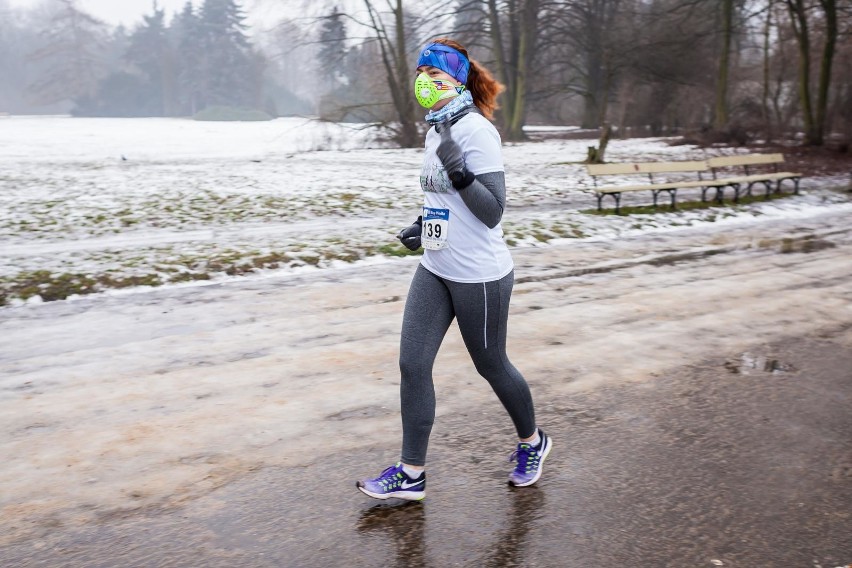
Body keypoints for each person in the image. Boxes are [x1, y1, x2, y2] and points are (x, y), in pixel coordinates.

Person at [356, 39, 552, 501]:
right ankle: (411, 473)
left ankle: (533, 441)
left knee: (491, 364)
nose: (425, 83)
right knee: (413, 364)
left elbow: (492, 211)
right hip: (436, 265)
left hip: (479, 274)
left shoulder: (477, 132)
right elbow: (441, 198)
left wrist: (461, 172)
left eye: (435, 76)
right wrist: (421, 225)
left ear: (457, 81)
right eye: (421, 75)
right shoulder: (435, 129)